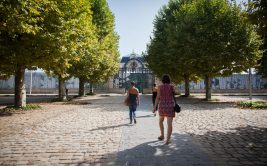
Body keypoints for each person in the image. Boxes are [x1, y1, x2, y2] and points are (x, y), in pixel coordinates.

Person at [153, 74, 175, 145]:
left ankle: (162, 135)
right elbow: (174, 95)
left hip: (162, 105)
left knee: (160, 121)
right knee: (169, 124)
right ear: (169, 80)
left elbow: (157, 97)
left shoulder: (159, 87)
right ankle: (168, 140)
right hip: (170, 106)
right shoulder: (172, 87)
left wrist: (154, 107)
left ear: (162, 80)